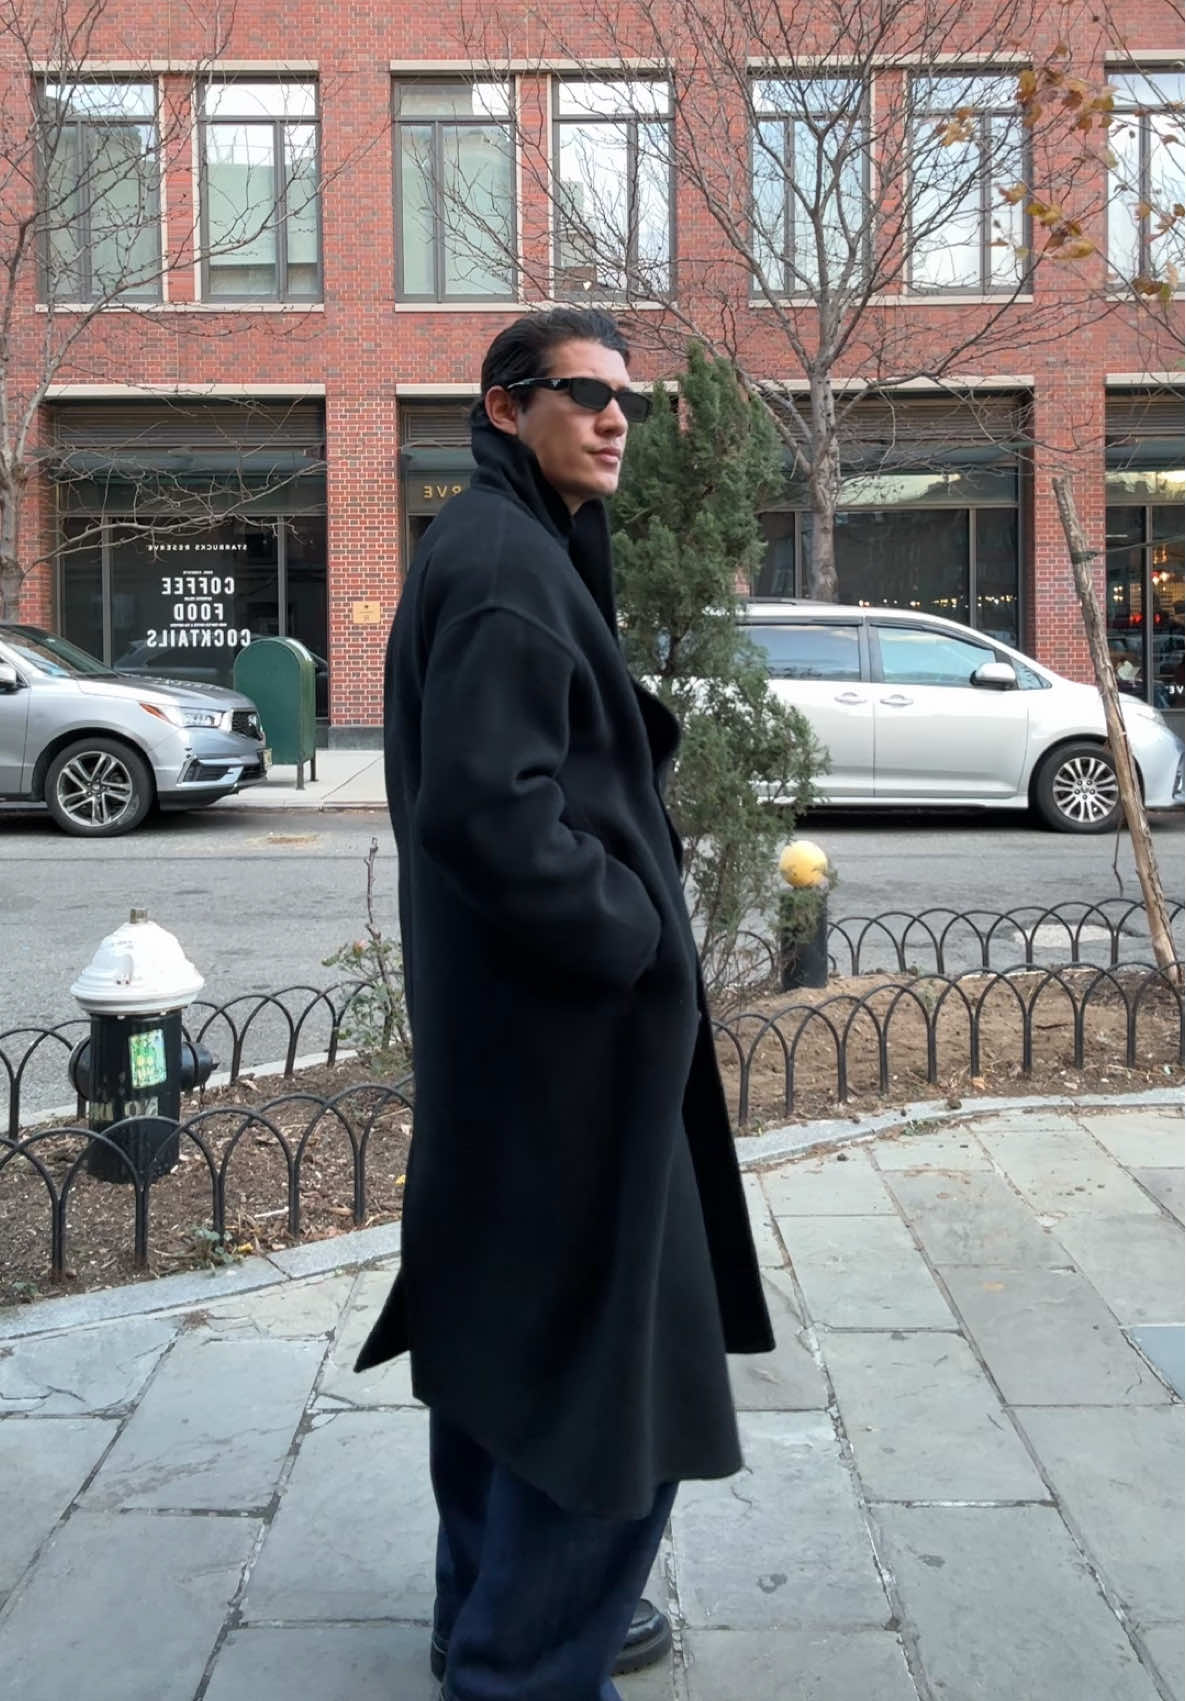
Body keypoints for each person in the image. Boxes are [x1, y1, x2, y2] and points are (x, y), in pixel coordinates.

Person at [355, 306, 774, 1701]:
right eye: (583, 394)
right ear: (502, 406)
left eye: (627, 401)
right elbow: (490, 813)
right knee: (621, 1379)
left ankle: (486, 1617)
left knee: (505, 1337)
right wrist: (632, 936)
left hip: (521, 1047)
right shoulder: (501, 563)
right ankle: (524, 1664)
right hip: (570, 1055)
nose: (613, 420)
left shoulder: (506, 542)